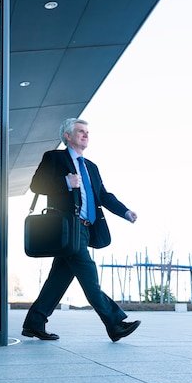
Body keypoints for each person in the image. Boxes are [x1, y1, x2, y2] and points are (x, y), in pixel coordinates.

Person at [22, 118, 140, 342]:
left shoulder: (91, 167)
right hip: (66, 227)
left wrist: (125, 212)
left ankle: (34, 323)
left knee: (58, 279)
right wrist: (65, 182)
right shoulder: (54, 157)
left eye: (87, 132)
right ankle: (114, 324)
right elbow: (36, 185)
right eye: (80, 131)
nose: (86, 135)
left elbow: (103, 196)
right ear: (67, 136)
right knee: (89, 276)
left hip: (85, 230)